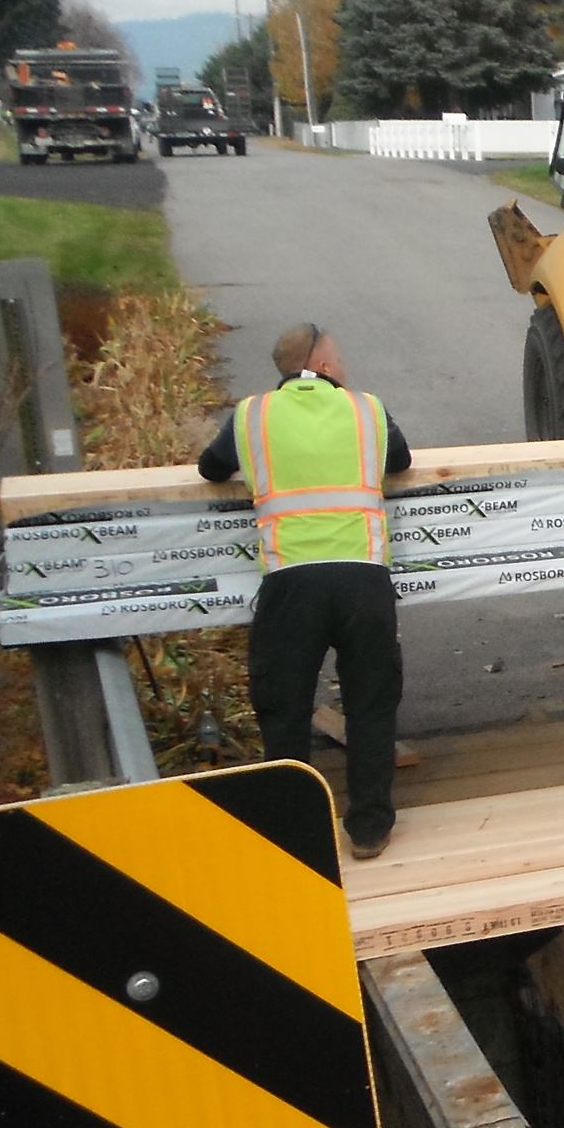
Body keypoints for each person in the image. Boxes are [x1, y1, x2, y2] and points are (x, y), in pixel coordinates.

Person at [198, 324, 411, 856]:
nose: (344, 365)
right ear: (319, 364)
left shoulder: (253, 415)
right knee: (370, 703)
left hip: (291, 581)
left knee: (284, 706)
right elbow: (399, 461)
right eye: (338, 357)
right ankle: (368, 827)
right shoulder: (366, 410)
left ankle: (296, 833)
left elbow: (211, 467)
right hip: (362, 577)